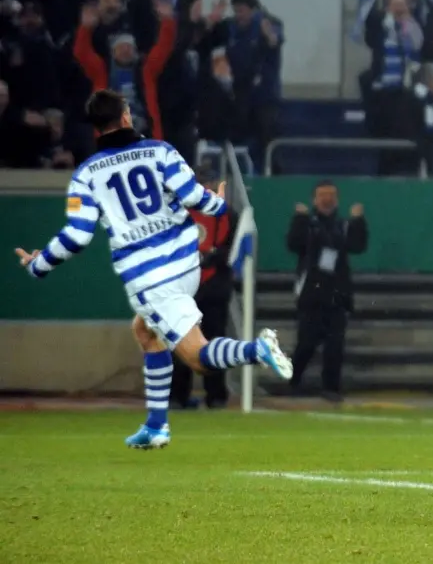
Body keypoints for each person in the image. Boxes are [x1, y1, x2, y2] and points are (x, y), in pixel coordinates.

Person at [13, 90, 292, 449]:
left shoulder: (86, 175)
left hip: (151, 277)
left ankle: (257, 350)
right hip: (186, 260)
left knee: (198, 358)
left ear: (97, 128)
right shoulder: (160, 150)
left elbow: (77, 235)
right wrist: (219, 206)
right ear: (126, 117)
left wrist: (39, 263)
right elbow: (193, 196)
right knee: (146, 331)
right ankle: (157, 426)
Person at [286, 181, 368, 402]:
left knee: (335, 345)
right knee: (306, 343)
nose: (327, 199)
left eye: (331, 195)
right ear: (315, 199)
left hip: (337, 295)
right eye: (322, 195)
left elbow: (358, 246)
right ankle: (292, 383)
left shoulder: (343, 225)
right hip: (311, 295)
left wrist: (359, 220)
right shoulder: (307, 223)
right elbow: (294, 244)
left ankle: (331, 388)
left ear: (337, 199)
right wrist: (300, 219)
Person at [170, 167, 236, 410]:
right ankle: (177, 396)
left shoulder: (228, 214)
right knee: (180, 344)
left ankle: (216, 396)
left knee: (214, 341)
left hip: (214, 287)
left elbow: (234, 248)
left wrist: (214, 257)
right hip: (182, 288)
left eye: (207, 183)